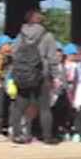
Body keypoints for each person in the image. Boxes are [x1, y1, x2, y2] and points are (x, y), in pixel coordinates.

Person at [11, 8, 58, 145]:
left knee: (19, 106)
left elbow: (14, 52)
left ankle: (16, 134)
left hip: (23, 74)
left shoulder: (21, 35)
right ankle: (47, 136)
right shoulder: (47, 36)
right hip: (41, 74)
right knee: (44, 107)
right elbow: (52, 58)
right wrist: (55, 75)